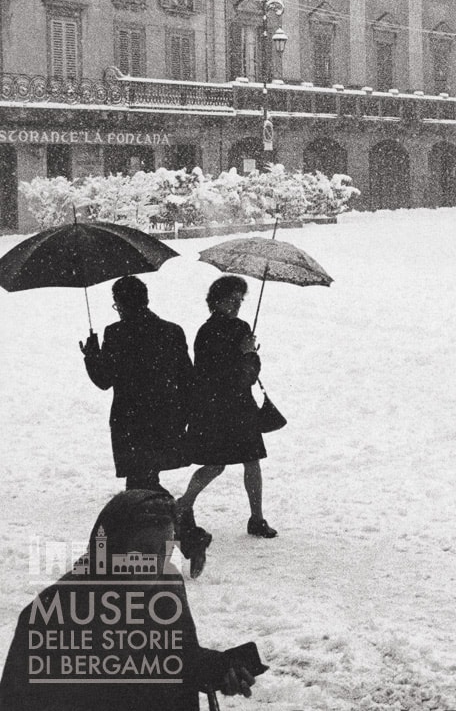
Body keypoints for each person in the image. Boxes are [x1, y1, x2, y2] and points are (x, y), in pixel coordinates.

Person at [1, 489, 262, 709]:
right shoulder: (55, 612)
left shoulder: (166, 586)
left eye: (166, 549)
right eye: (145, 550)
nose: (157, 563)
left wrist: (218, 668)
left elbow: (175, 657)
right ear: (113, 548)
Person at [179, 275, 276, 560]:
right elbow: (243, 377)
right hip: (235, 407)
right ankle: (255, 519)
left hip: (213, 408)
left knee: (219, 463)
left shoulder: (204, 331)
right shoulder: (238, 330)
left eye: (240, 300)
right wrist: (249, 354)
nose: (237, 305)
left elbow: (210, 373)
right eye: (233, 299)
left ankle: (184, 505)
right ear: (218, 300)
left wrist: (246, 356)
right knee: (246, 462)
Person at [80, 276, 191, 493]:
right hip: (165, 416)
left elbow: (104, 381)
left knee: (139, 482)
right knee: (146, 479)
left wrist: (92, 356)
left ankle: (178, 515)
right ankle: (172, 517)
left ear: (120, 303)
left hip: (129, 419)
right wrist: (184, 416)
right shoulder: (172, 331)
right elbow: (187, 378)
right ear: (146, 300)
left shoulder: (116, 333)